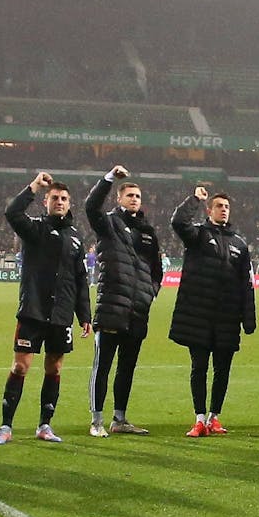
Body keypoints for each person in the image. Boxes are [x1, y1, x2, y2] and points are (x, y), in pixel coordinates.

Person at [0, 173, 91, 445]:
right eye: (55, 198)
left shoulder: (75, 237)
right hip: (33, 311)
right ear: (45, 201)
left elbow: (81, 278)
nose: (59, 202)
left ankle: (45, 426)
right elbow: (12, 212)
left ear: (70, 204)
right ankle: (5, 426)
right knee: (21, 367)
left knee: (54, 369)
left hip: (61, 314)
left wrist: (85, 315)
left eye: (64, 199)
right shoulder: (34, 228)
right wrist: (34, 186)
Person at [169, 185, 258, 438]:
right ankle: (199, 419)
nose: (223, 210)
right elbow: (177, 221)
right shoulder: (197, 235)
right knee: (199, 367)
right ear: (209, 210)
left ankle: (214, 417)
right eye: (219, 206)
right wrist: (194, 199)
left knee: (222, 370)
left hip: (227, 318)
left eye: (227, 207)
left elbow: (246, 284)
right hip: (199, 315)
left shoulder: (240, 244)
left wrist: (248, 318)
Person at [83, 166, 164, 437]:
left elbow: (156, 271)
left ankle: (119, 419)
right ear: (119, 198)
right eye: (129, 194)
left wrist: (149, 293)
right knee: (102, 366)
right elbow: (90, 206)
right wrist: (108, 179)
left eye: (138, 195)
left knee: (127, 367)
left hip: (137, 311)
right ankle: (96, 421)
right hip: (111, 308)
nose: (134, 199)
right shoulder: (108, 223)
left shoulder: (148, 232)